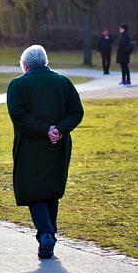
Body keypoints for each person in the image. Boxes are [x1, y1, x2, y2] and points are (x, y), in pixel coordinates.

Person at [7, 45, 84, 259]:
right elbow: (77, 111)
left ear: (25, 65)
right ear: (45, 62)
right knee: (50, 189)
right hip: (57, 145)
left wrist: (44, 129)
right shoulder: (63, 82)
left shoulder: (17, 85)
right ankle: (49, 233)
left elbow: (18, 115)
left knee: (34, 190)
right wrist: (58, 129)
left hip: (30, 146)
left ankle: (46, 234)